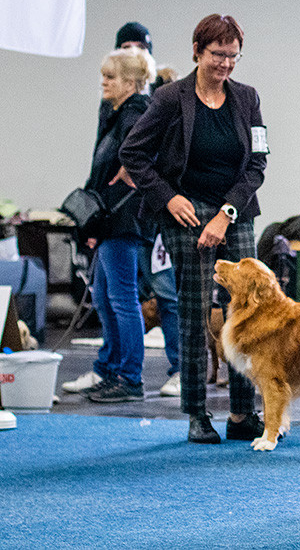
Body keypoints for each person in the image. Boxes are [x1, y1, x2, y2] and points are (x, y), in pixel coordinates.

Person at [120, 14, 268, 444]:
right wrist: (167, 197)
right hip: (185, 213)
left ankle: (242, 413)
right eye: (217, 55)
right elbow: (134, 153)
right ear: (198, 52)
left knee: (244, 311)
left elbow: (257, 164)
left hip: (234, 210)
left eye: (233, 56)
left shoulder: (248, 99)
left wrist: (226, 214)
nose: (225, 64)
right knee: (193, 310)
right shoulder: (169, 99)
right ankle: (196, 413)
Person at [69, 47, 155, 403]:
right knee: (105, 297)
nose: (103, 82)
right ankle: (113, 369)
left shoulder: (137, 115)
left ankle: (130, 377)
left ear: (131, 82)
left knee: (122, 299)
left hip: (124, 220)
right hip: (108, 220)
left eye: (110, 77)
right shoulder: (116, 114)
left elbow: (138, 166)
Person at [116, 21, 182, 397]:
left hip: (158, 214)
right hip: (135, 217)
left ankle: (181, 367)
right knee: (142, 294)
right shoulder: (122, 107)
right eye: (125, 48)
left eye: (138, 48)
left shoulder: (161, 99)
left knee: (167, 293)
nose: (132, 54)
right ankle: (123, 368)